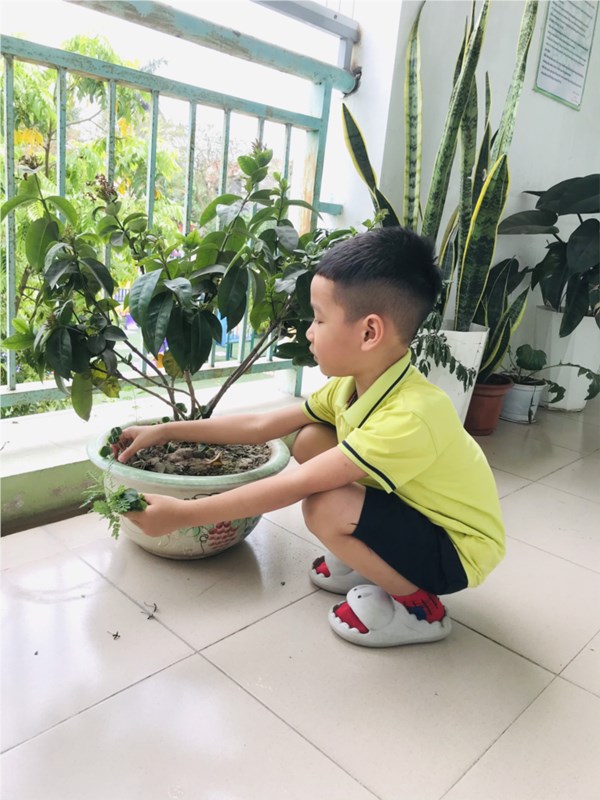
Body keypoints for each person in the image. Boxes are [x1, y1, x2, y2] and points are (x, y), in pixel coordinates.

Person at [116, 227, 505, 648]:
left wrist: (184, 514)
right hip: (416, 512)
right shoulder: (353, 384)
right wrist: (164, 431)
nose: (309, 332)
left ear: (369, 332)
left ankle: (420, 610)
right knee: (310, 439)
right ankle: (370, 561)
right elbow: (260, 427)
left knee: (324, 507)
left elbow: (298, 485)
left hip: (455, 552)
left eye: (319, 318)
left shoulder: (412, 415)